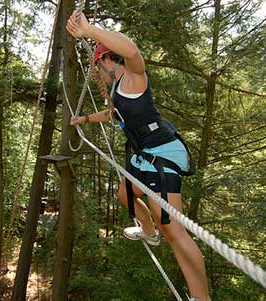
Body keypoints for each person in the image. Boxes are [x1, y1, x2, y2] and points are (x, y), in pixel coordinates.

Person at [66, 10, 211, 301]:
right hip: (144, 156)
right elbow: (111, 114)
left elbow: (131, 51)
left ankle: (201, 297)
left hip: (162, 157)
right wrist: (83, 119)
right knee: (124, 193)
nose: (99, 76)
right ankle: (148, 230)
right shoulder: (120, 90)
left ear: (107, 61)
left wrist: (90, 31)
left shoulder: (134, 77)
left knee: (176, 233)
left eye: (99, 66)